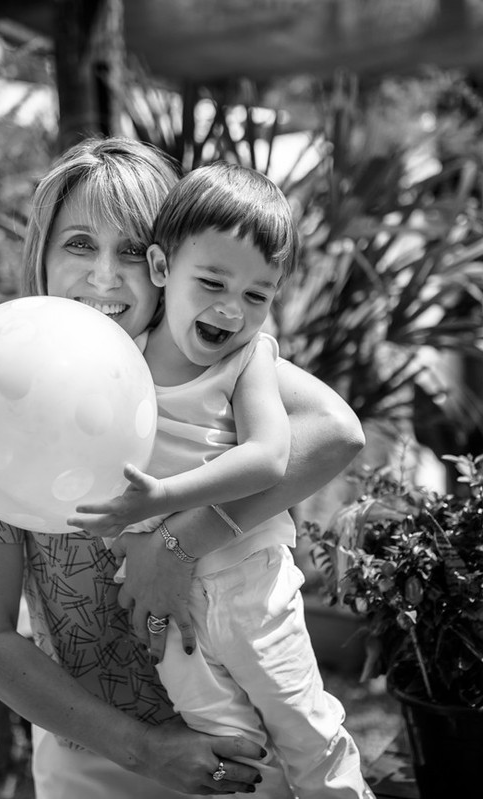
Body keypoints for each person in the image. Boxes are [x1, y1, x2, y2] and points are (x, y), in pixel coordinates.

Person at [0, 137, 365, 799]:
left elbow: (335, 432)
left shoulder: (208, 362)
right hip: (92, 762)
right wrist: (145, 750)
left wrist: (178, 543)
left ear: (167, 261)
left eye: (132, 249)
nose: (107, 276)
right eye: (80, 244)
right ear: (44, 258)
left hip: (241, 749)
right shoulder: (5, 395)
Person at [67, 162, 372, 798]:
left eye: (258, 296)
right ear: (160, 269)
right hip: (159, 601)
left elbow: (267, 457)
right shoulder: (117, 354)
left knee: (307, 736)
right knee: (228, 754)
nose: (231, 309)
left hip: (248, 586)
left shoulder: (247, 360)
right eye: (211, 282)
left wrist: (167, 501)